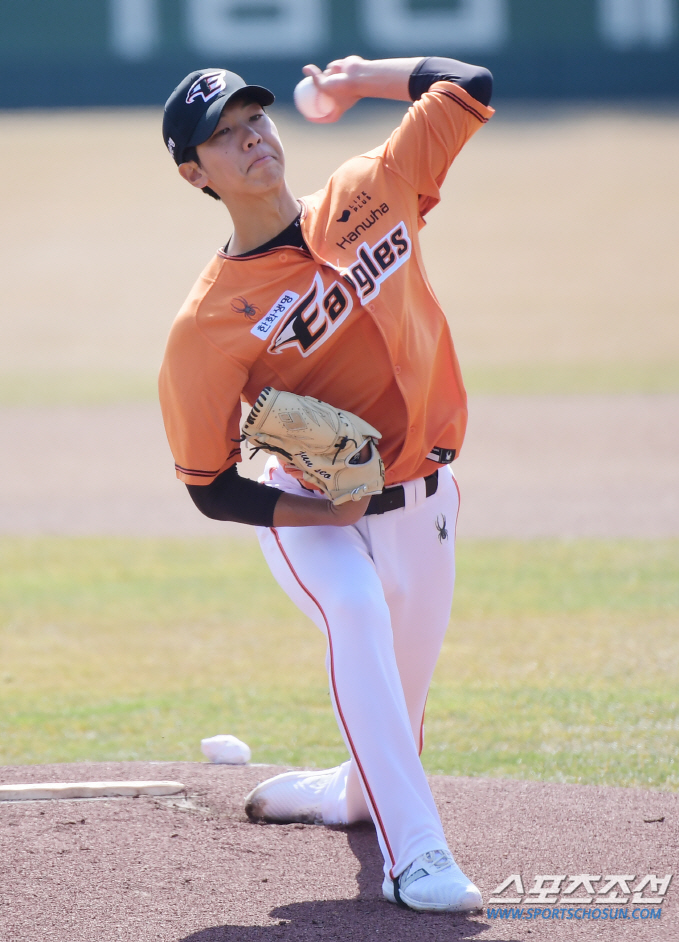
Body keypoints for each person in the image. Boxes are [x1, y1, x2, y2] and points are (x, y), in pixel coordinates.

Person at [159, 55, 493, 913]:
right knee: (357, 611)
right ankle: (414, 855)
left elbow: (469, 85)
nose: (252, 140)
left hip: (428, 498)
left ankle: (347, 794)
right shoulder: (208, 324)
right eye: (224, 138)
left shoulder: (366, 190)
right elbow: (208, 484)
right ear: (196, 174)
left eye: (254, 120)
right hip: (305, 513)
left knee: (398, 698)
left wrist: (352, 80)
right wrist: (321, 508)